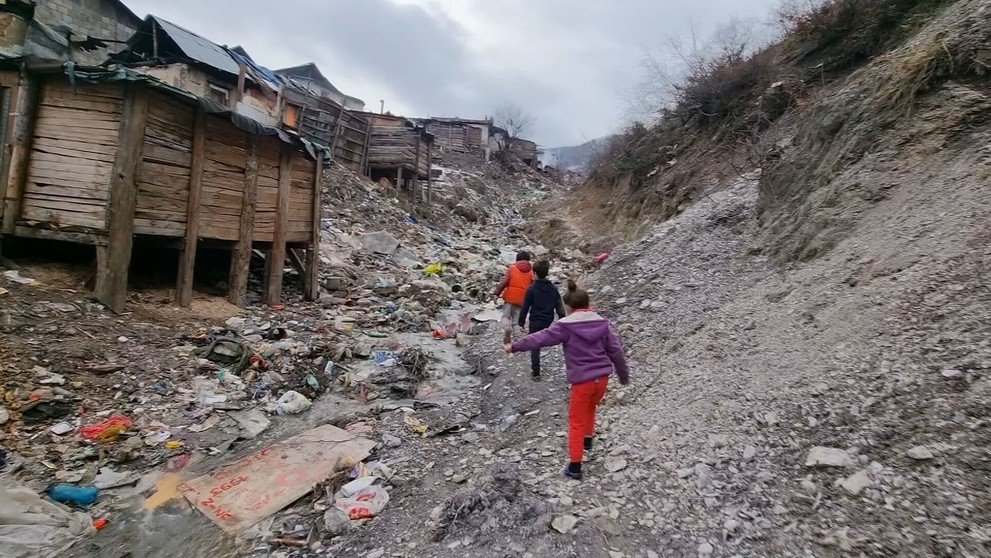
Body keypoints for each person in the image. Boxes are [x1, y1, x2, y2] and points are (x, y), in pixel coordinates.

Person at [504, 279, 629, 480]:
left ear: (568, 307)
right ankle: (588, 441)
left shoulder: (565, 327)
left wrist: (515, 346)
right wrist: (623, 375)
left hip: (582, 380)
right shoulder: (602, 323)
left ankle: (575, 466)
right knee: (591, 407)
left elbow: (540, 338)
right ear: (588, 304)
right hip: (602, 379)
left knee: (575, 421)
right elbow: (615, 351)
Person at [518, 260, 566, 381]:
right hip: (548, 320)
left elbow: (525, 307)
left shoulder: (531, 289)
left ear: (534, 273)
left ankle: (536, 373)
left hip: (535, 320)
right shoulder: (553, 289)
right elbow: (559, 305)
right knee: (540, 341)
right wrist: (562, 319)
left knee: (535, 344)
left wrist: (521, 322)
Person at [493, 251, 534, 345]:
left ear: (517, 259)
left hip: (509, 298)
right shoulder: (531, 272)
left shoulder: (512, 268)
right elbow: (532, 287)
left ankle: (507, 328)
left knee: (505, 316)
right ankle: (517, 342)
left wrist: (496, 294)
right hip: (522, 300)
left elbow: (504, 282)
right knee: (516, 321)